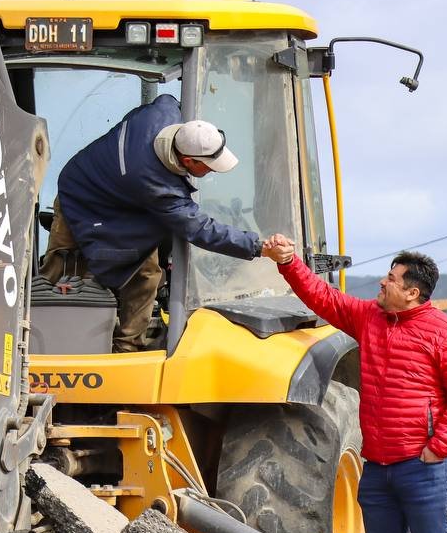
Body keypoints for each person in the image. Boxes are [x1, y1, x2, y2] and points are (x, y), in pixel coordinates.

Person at [265, 235, 447, 533]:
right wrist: (289, 262)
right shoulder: (369, 318)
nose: (382, 283)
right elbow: (322, 297)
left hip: (424, 467)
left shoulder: (444, 334)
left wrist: (438, 447)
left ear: (412, 292)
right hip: (378, 467)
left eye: (391, 279)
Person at [40, 93, 284, 352]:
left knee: (142, 272)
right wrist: (258, 247)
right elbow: (199, 228)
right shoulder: (157, 185)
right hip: (77, 196)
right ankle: (92, 342)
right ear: (188, 160)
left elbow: (168, 98)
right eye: (209, 166)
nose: (212, 171)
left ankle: (121, 342)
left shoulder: (164, 114)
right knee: (64, 268)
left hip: (112, 194)